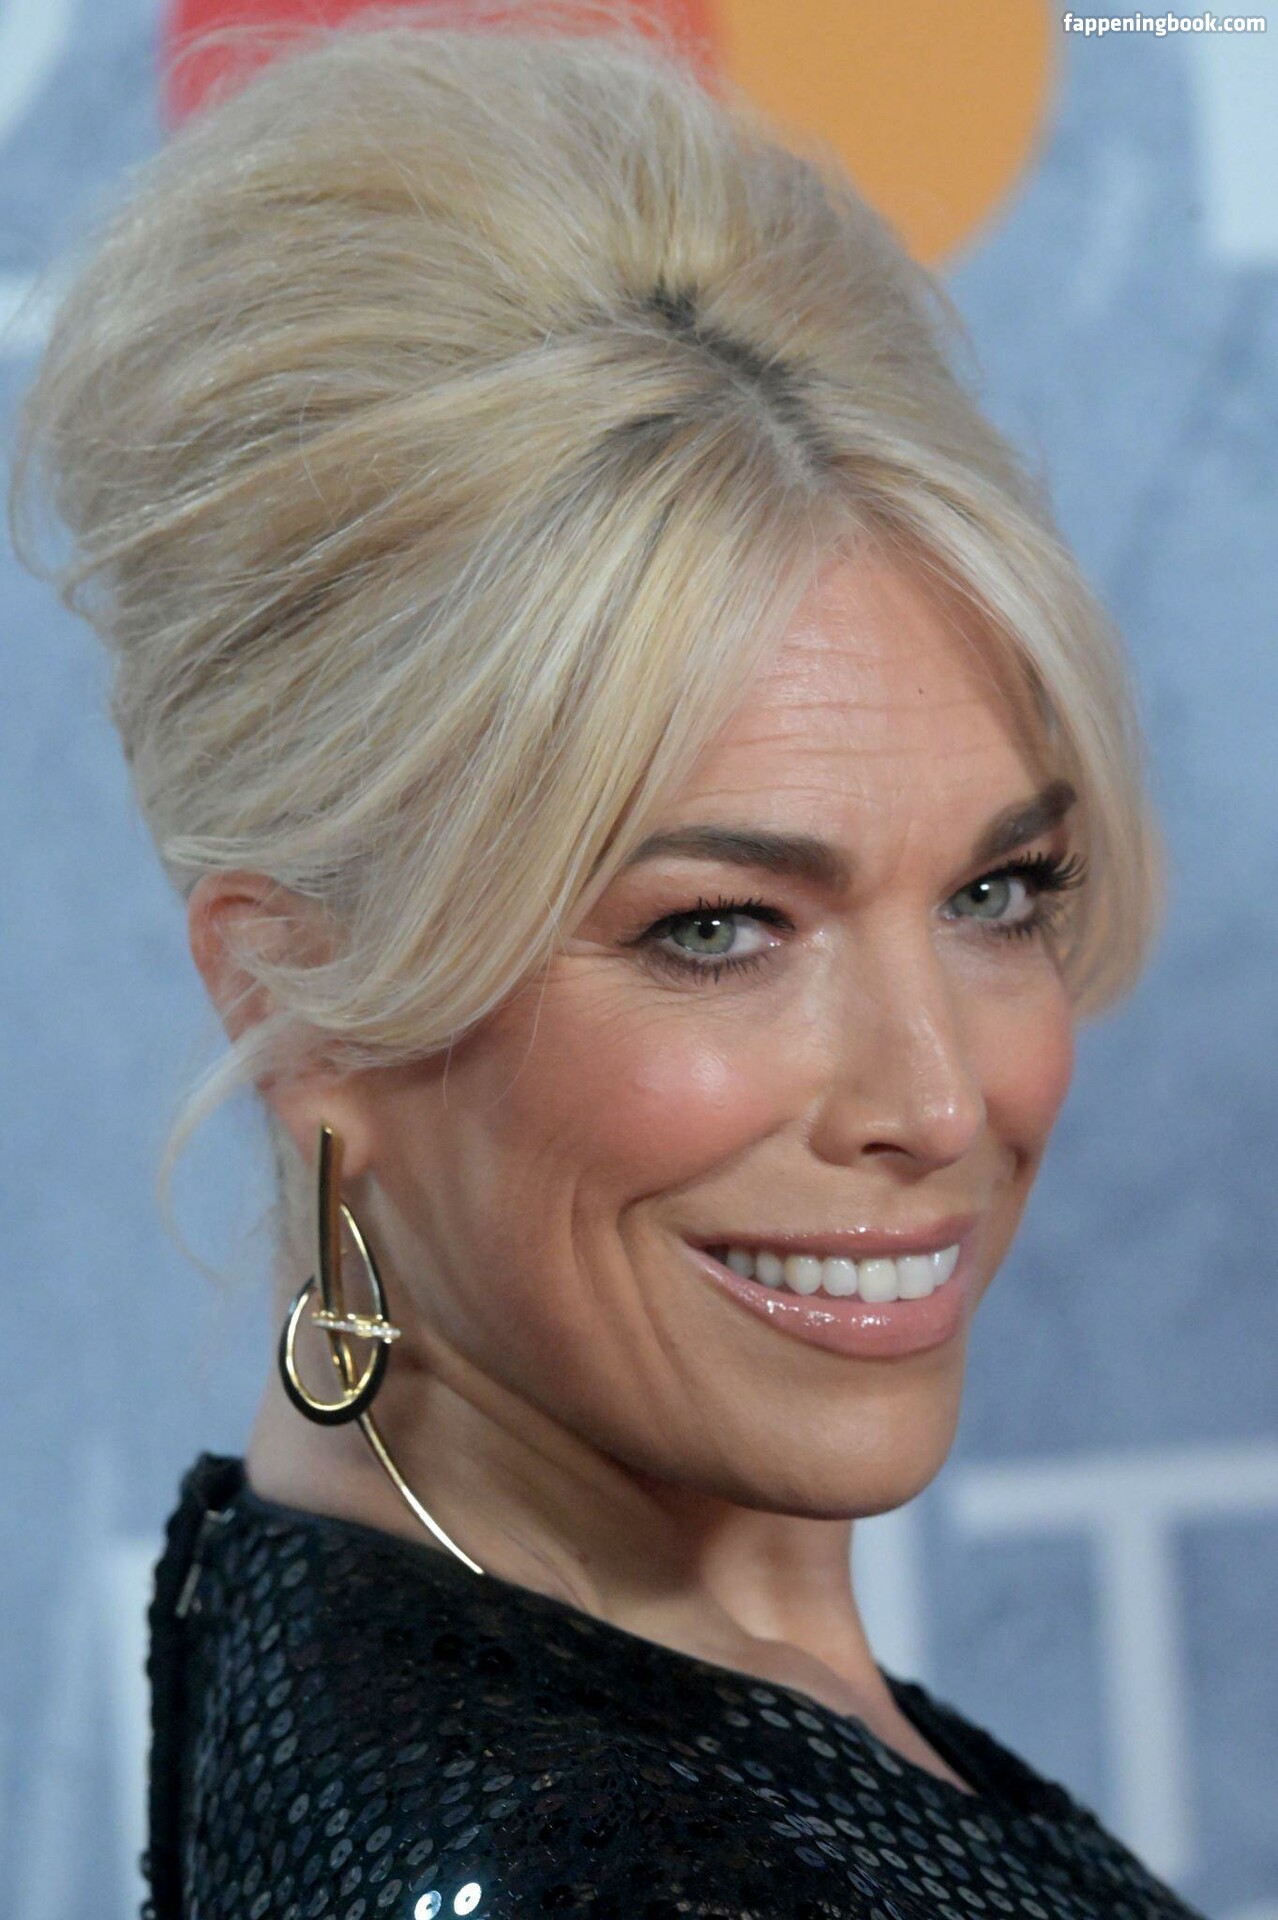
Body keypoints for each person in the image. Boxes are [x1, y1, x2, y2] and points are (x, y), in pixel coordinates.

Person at [12, 7, 1203, 1916]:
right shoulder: (586, 1861)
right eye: (718, 928)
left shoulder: (465, 1628)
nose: (932, 1099)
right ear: (296, 999)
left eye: (994, 892)